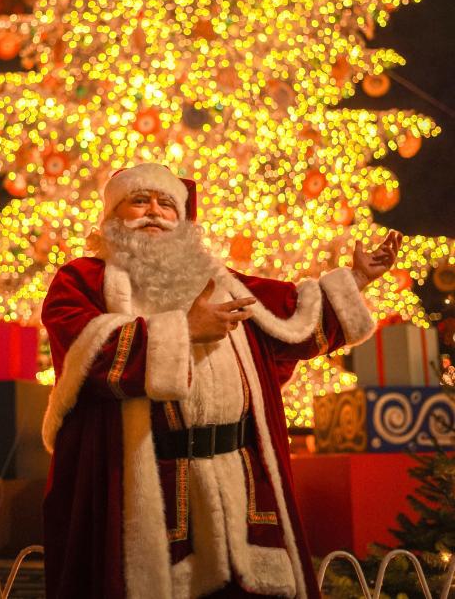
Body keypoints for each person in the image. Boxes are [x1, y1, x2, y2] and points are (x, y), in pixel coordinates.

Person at [41, 163, 402, 599]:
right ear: (113, 217)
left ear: (183, 220)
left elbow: (290, 319)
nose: (154, 212)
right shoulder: (81, 279)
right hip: (148, 478)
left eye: (166, 203)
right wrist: (184, 329)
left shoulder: (220, 280)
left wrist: (358, 279)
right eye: (139, 201)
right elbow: (85, 350)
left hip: (241, 478)